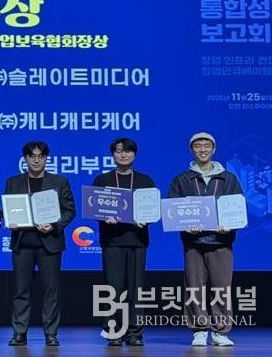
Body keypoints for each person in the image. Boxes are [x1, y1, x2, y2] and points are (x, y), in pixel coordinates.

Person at [169, 132, 242, 347]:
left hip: (221, 241)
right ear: (192, 150)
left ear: (214, 149)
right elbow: (173, 210)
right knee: (194, 287)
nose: (202, 149)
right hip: (193, 243)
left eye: (206, 145)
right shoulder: (181, 179)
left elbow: (238, 208)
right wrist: (185, 225)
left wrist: (229, 225)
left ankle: (220, 332)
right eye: (198, 146)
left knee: (222, 288)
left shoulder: (229, 178)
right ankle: (199, 330)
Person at [5, 141, 76, 347]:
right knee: (21, 291)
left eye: (41, 156)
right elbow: (8, 209)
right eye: (32, 156)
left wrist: (54, 225)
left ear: (46, 159)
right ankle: (19, 333)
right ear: (25, 159)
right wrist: (10, 220)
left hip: (50, 244)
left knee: (51, 291)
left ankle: (51, 334)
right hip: (22, 244)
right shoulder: (13, 182)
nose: (36, 160)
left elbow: (70, 211)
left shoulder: (60, 181)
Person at [92, 138, 155, 347]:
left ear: (135, 154)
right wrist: (104, 217)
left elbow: (153, 210)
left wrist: (147, 219)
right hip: (112, 241)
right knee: (112, 288)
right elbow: (94, 208)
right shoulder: (102, 180)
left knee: (136, 290)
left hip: (138, 241)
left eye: (128, 151)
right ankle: (113, 331)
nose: (123, 155)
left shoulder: (145, 181)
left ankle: (135, 333)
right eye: (119, 151)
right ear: (113, 154)